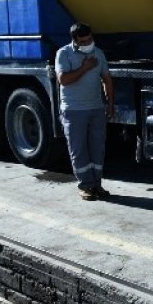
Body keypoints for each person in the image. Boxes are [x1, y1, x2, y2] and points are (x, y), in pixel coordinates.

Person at [56, 23, 114, 200]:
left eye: (90, 39)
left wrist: (110, 103)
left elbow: (107, 79)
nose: (88, 42)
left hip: (96, 108)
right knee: (79, 149)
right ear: (75, 41)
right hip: (74, 110)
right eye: (84, 41)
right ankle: (85, 186)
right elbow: (63, 79)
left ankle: (97, 184)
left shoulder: (98, 53)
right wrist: (85, 67)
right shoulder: (64, 53)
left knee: (97, 149)